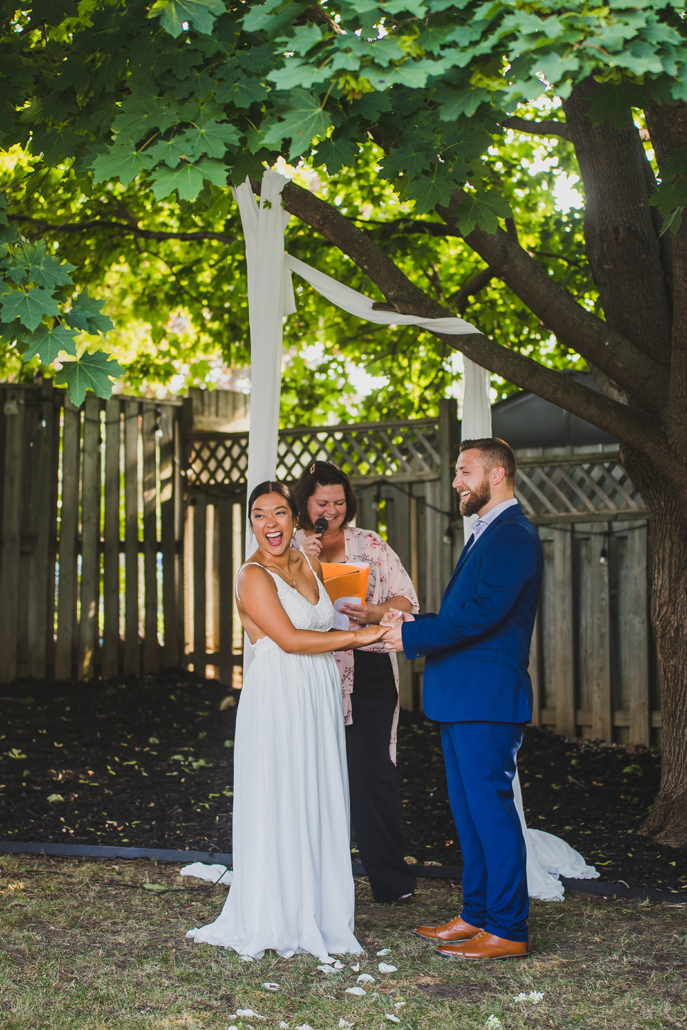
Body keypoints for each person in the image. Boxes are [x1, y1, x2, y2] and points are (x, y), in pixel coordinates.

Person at [186, 481, 384, 960]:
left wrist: (370, 620)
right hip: (278, 693)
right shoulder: (252, 576)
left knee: (317, 791)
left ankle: (317, 909)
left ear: (295, 519)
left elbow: (327, 620)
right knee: (282, 793)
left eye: (279, 512)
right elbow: (291, 640)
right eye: (259, 514)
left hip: (318, 690)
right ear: (251, 523)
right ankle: (276, 915)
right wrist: (358, 639)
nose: (269, 523)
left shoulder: (308, 562)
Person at [382, 438, 543, 960]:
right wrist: (413, 621)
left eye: (464, 471)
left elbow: (485, 616)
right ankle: (477, 914)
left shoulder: (512, 534)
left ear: (496, 475)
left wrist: (412, 636)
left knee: (490, 813)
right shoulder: (489, 532)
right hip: (464, 698)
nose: (455, 482)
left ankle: (508, 929)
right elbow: (465, 614)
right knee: (470, 814)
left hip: (487, 699)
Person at [293, 461, 418, 903]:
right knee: (309, 772)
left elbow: (407, 598)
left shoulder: (370, 544)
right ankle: (311, 881)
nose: (332, 511)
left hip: (367, 671)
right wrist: (301, 560)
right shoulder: (287, 546)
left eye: (339, 503)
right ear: (304, 505)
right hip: (312, 669)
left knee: (371, 773)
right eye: (322, 504)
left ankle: (392, 883)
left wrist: (376, 612)